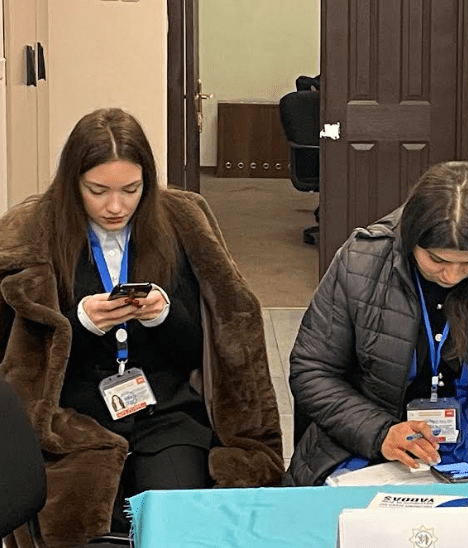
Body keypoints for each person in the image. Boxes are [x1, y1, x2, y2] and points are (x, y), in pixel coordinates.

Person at [0, 108, 283, 548]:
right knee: (82, 525)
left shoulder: (177, 225)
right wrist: (79, 325)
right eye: (98, 191)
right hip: (73, 418)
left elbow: (201, 349)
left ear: (147, 184)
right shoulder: (35, 233)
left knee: (177, 524)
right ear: (72, 184)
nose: (116, 207)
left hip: (164, 411)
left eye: (131, 190)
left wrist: (163, 316)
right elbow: (19, 361)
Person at [285, 161, 468, 485]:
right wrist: (380, 433)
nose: (451, 276)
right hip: (374, 438)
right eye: (437, 259)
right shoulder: (360, 263)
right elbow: (312, 370)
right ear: (411, 237)